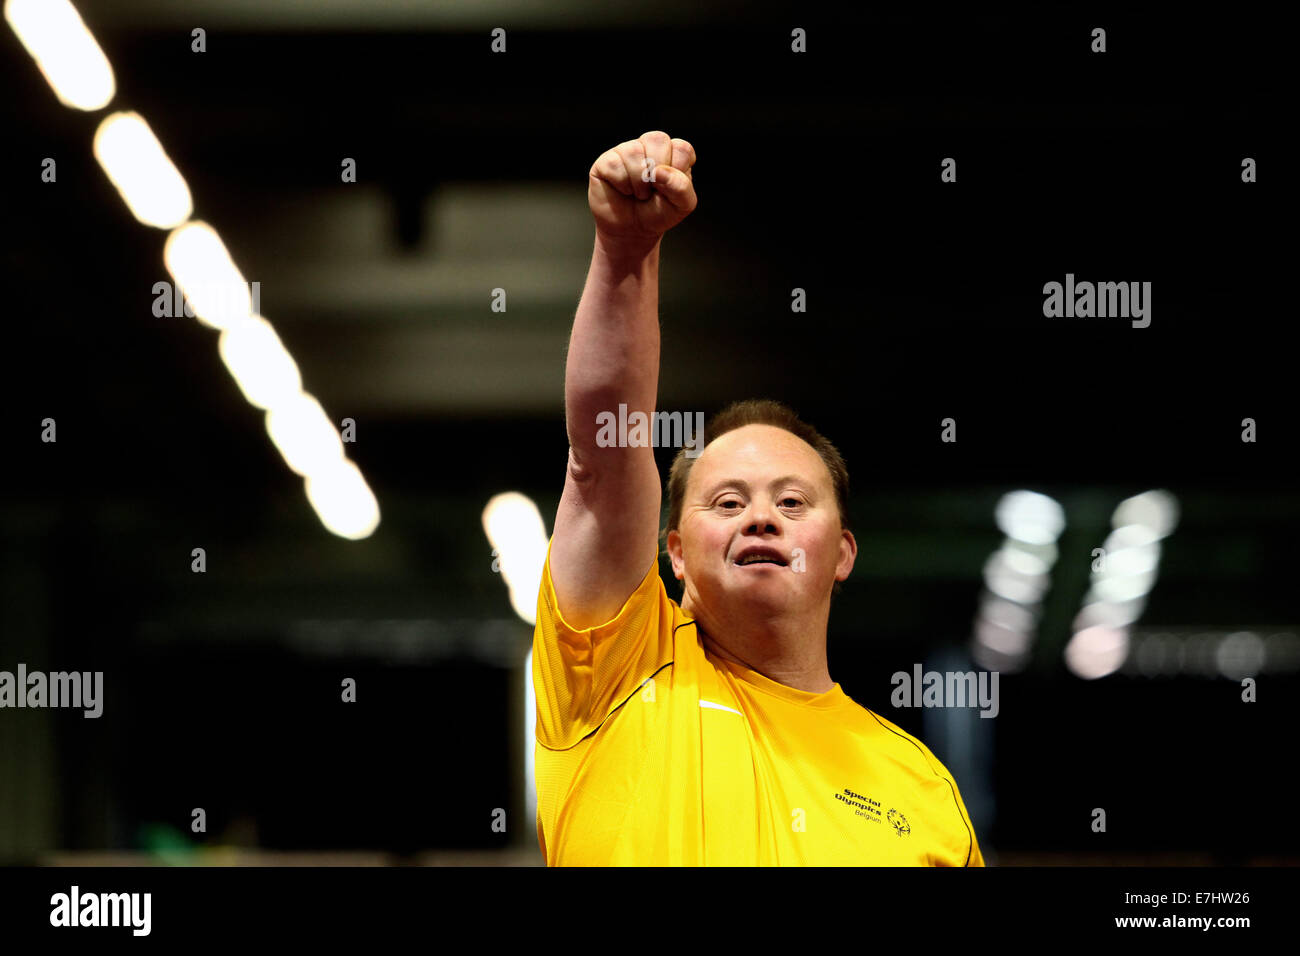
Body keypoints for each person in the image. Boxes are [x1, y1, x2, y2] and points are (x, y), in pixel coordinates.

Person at [532, 130, 986, 865]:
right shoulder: (616, 667)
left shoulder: (923, 789)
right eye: (727, 502)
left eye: (794, 503)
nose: (762, 517)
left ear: (842, 553)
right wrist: (625, 249)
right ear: (673, 552)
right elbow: (602, 462)